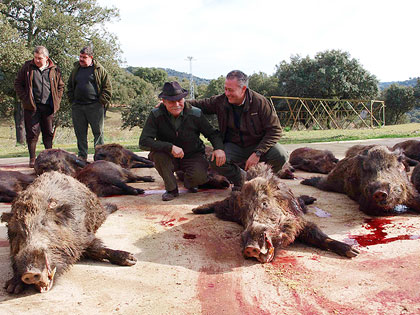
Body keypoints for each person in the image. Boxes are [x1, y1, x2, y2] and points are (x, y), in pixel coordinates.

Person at [187, 70, 288, 190]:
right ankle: (241, 180)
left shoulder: (260, 102)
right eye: (225, 89)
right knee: (215, 160)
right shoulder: (220, 101)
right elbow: (200, 104)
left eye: (230, 90)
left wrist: (258, 152)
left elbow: (275, 130)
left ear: (243, 89)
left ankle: (263, 180)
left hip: (257, 144)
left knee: (281, 155)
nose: (227, 93)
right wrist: (176, 103)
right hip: (233, 145)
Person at [139, 81, 225, 201]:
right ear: (163, 101)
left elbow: (212, 133)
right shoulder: (156, 115)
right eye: (171, 101)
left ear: (184, 99)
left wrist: (219, 148)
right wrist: (169, 147)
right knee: (158, 156)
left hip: (193, 155)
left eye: (180, 100)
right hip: (168, 156)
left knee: (199, 178)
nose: (177, 104)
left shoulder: (195, 113)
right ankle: (171, 189)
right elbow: (144, 141)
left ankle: (190, 182)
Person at [14, 46, 65, 167]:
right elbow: (17, 84)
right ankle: (32, 159)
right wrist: (25, 98)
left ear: (46, 58)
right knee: (32, 133)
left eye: (39, 58)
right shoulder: (27, 67)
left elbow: (60, 86)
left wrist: (57, 99)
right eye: (35, 57)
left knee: (48, 132)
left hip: (48, 107)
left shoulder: (54, 69)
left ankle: (50, 158)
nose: (37, 60)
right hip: (32, 107)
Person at [67, 46, 112, 160]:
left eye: (84, 57)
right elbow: (70, 86)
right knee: (80, 133)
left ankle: (100, 157)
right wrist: (72, 101)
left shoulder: (99, 70)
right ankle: (82, 157)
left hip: (95, 107)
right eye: (80, 56)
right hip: (78, 107)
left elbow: (107, 88)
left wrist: (101, 102)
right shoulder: (76, 69)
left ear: (91, 57)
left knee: (98, 133)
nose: (81, 59)